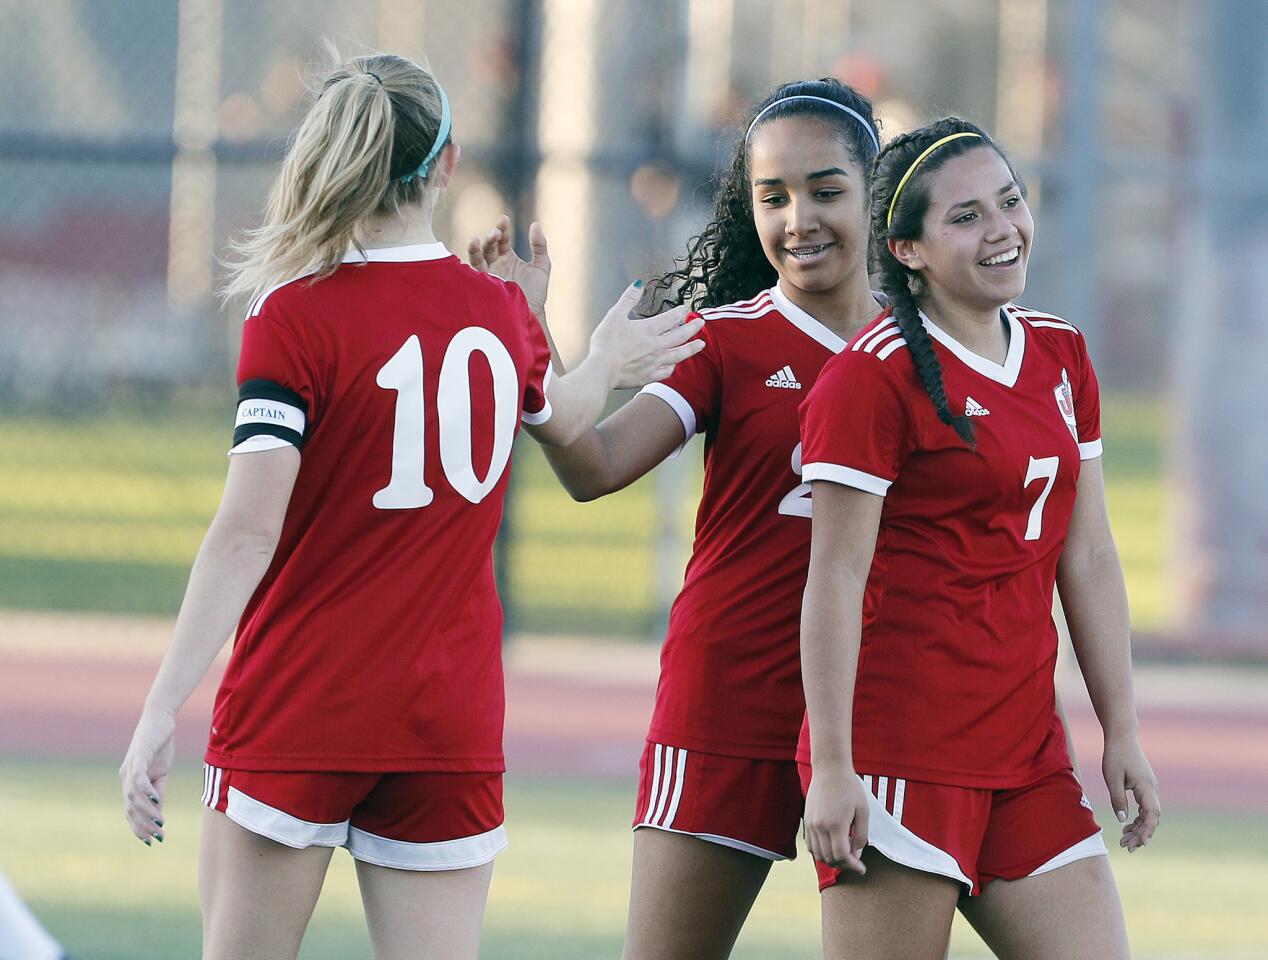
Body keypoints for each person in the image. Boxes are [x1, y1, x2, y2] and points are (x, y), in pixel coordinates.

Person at [117, 52, 702, 960]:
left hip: (303, 705)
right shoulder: (499, 310)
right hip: (446, 718)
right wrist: (605, 356)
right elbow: (570, 414)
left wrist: (159, 712)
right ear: (448, 163)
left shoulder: (293, 313)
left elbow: (244, 533)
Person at [470, 79, 884, 959]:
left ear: (875, 192)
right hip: (727, 708)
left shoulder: (925, 348)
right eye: (772, 198)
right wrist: (531, 336)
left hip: (880, 717)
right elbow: (596, 467)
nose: (799, 219)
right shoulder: (723, 339)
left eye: (825, 190)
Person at [798, 116, 1162, 960]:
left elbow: (1091, 555)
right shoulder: (872, 374)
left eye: (1009, 202)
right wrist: (832, 766)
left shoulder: (1062, 354)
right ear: (909, 249)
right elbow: (835, 579)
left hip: (1028, 754)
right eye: (966, 217)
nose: (1002, 229)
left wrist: (1123, 729)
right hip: (899, 757)